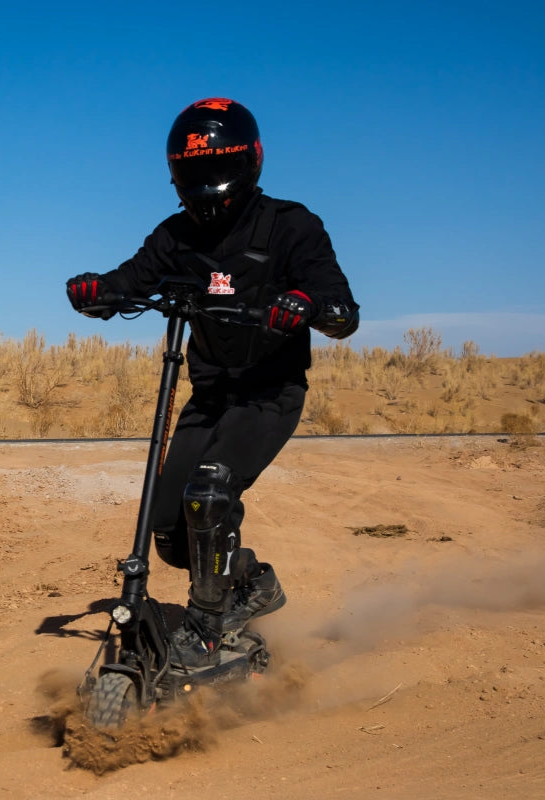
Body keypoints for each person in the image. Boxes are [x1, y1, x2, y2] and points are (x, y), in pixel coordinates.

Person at [66, 97, 359, 668]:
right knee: (171, 530)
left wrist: (305, 304)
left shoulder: (291, 225)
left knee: (209, 495)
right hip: (209, 399)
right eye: (193, 170)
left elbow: (342, 309)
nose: (207, 183)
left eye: (218, 167)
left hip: (269, 394)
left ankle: (206, 628)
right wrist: (97, 291)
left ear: (249, 162)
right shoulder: (175, 235)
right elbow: (131, 280)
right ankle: (251, 580)